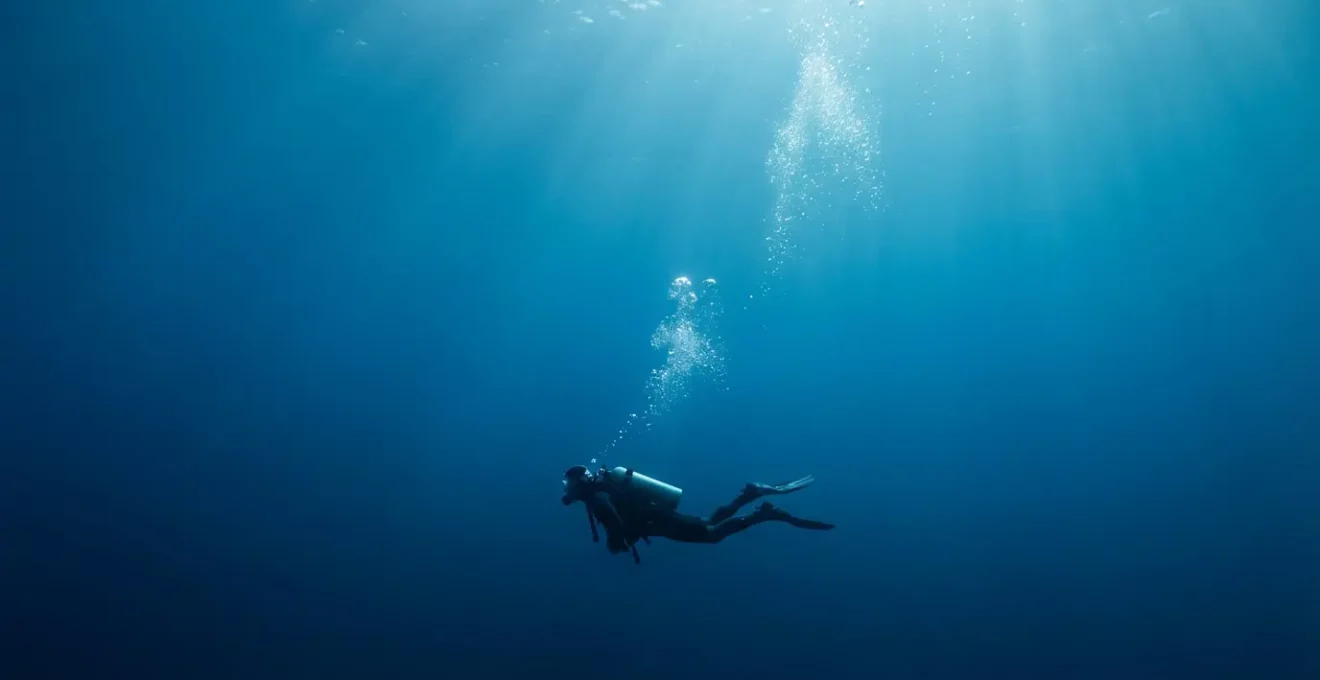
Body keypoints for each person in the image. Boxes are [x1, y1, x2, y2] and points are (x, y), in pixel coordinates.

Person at [560, 464, 835, 564]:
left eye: (567, 484)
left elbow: (613, 520)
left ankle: (761, 511)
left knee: (712, 534)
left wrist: (615, 543)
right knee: (709, 523)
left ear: (576, 483)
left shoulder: (595, 498)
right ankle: (750, 496)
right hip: (656, 516)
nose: (567, 490)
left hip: (656, 521)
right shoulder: (600, 489)